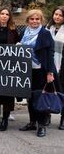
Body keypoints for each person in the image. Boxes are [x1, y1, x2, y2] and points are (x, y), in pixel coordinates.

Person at [19, 9, 56, 137]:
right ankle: (32, 122)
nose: (34, 21)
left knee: (41, 97)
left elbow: (50, 53)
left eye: (37, 19)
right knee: (30, 97)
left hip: (41, 70)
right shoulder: (24, 32)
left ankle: (42, 125)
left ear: (41, 20)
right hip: (27, 70)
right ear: (28, 20)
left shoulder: (45, 33)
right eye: (32, 19)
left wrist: (50, 72)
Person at [47, 6, 64, 130]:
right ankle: (47, 116)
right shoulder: (48, 28)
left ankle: (63, 119)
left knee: (62, 92)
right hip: (49, 65)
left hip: (62, 66)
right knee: (48, 90)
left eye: (60, 15)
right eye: (55, 14)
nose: (57, 17)